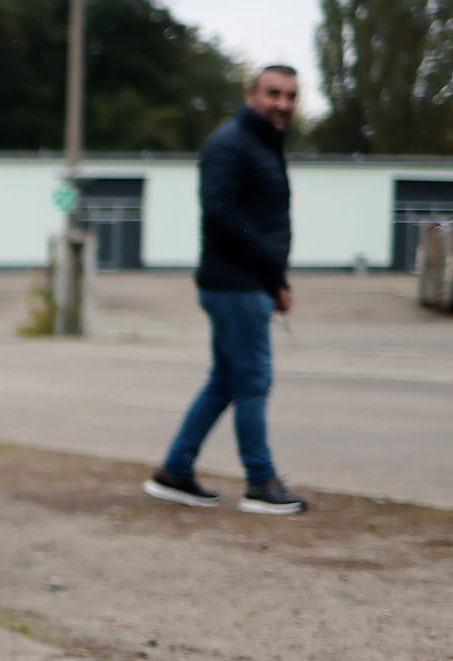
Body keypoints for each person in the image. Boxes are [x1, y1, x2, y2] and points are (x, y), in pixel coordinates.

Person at [145, 65, 307, 515]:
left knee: (225, 381)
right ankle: (261, 481)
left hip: (249, 281)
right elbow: (222, 217)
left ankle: (175, 471)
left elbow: (262, 220)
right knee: (253, 379)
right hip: (235, 282)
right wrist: (271, 272)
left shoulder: (264, 144)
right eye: (273, 93)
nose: (282, 103)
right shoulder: (231, 144)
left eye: (290, 96)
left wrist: (276, 281)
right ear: (251, 94)